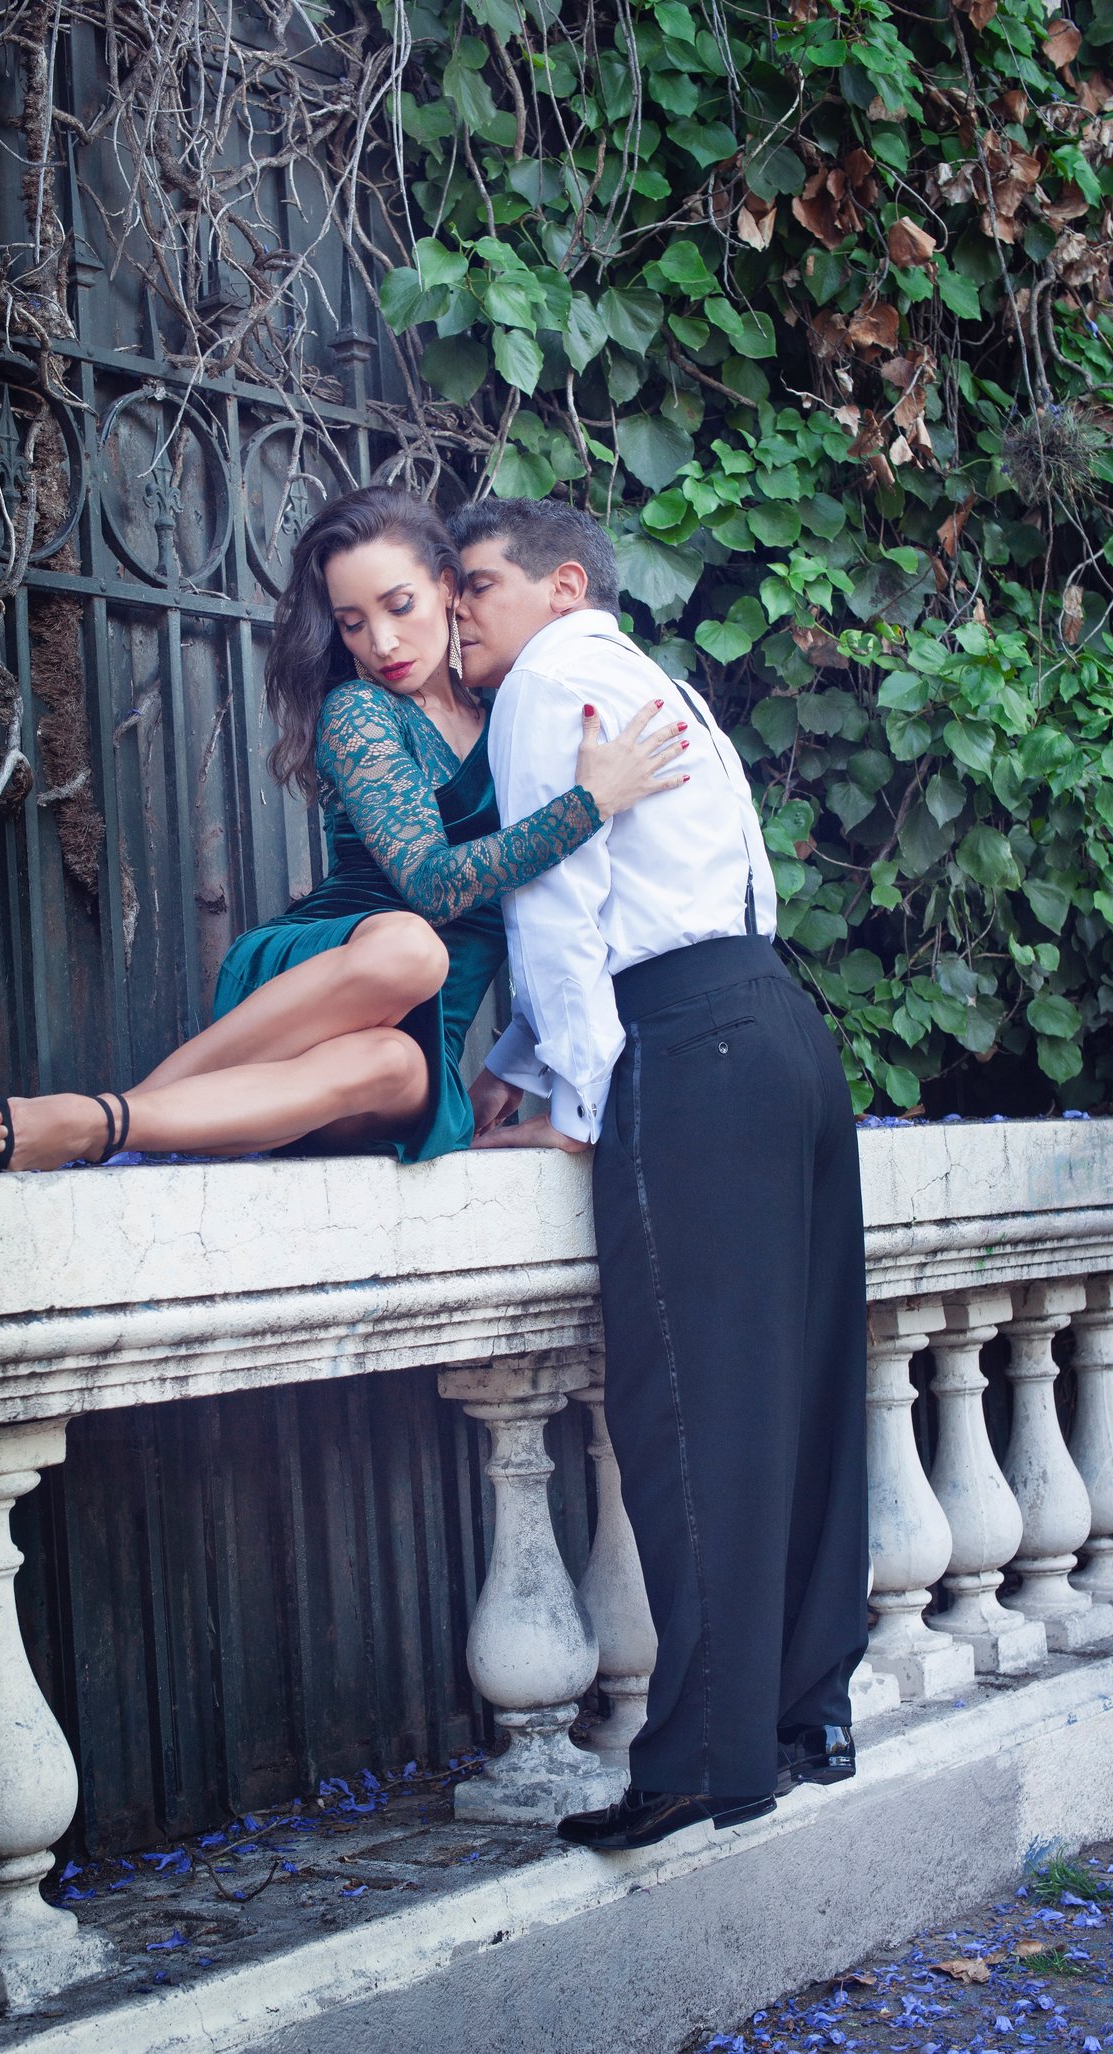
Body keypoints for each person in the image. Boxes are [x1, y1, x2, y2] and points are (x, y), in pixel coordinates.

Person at [453, 496, 869, 1848]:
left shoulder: (544, 683)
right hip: (782, 1028)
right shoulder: (656, 682)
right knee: (800, 1394)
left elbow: (560, 901)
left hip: (690, 1052)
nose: (460, 613)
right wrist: (527, 1048)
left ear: (562, 581)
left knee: (688, 1405)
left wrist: (578, 1090)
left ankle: (696, 1761)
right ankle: (806, 1719)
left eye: (476, 585)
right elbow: (683, 894)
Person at [0, 487, 688, 1172]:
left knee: (397, 1065)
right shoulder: (360, 713)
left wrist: (516, 1068)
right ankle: (97, 1125)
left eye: (400, 606)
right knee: (411, 947)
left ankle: (118, 1126)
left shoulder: (512, 717)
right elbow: (432, 885)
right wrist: (587, 804)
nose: (382, 643)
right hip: (333, 974)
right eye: (353, 623)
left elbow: (554, 913)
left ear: (447, 587)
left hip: (417, 1032)